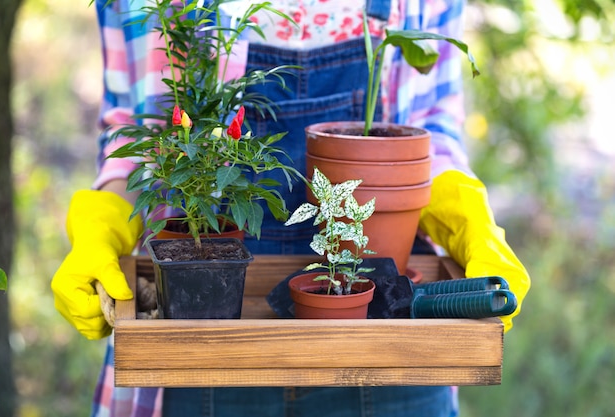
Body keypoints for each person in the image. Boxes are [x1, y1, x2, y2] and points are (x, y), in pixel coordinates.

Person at [51, 0, 531, 416]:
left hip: (390, 344)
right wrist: (104, 225)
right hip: (206, 345)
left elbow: (428, 129)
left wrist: (467, 222)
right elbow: (146, 135)